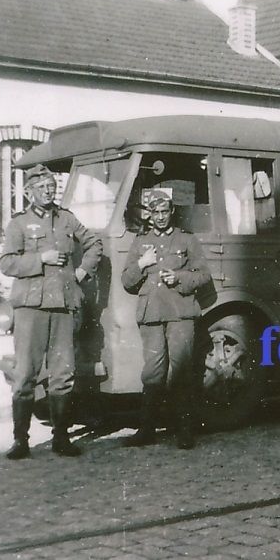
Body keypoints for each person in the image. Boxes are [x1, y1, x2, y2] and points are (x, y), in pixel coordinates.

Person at [0, 165, 102, 460]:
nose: (48, 191)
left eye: (51, 187)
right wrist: (39, 259)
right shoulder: (18, 224)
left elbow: (94, 242)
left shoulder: (67, 218)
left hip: (63, 306)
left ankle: (61, 437)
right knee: (25, 374)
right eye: (42, 187)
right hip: (31, 308)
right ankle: (21, 441)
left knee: (63, 374)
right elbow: (6, 263)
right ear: (29, 191)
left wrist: (83, 271)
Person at [121, 190, 212, 450]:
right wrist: (141, 263)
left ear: (172, 212)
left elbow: (204, 275)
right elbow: (127, 281)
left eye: (165, 212)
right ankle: (146, 430)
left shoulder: (186, 239)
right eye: (155, 213)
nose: (160, 217)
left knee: (182, 371)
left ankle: (184, 431)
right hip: (151, 315)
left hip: (180, 312)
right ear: (149, 215)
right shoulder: (140, 243)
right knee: (152, 372)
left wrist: (180, 278)